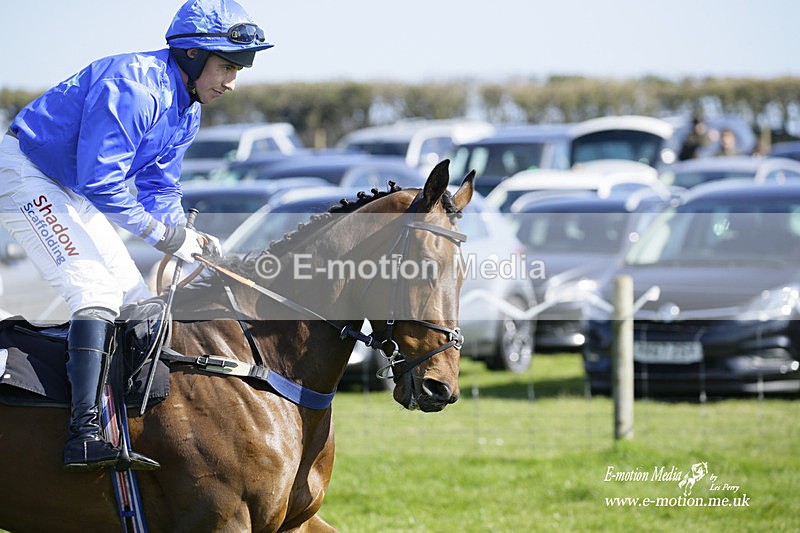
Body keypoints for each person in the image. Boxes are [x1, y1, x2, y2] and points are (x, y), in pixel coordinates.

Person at [0, 0, 273, 471]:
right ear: (191, 54)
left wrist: (186, 233)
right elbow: (101, 180)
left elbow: (159, 186)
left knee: (137, 300)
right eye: (226, 66)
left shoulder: (187, 106)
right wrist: (165, 237)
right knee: (95, 292)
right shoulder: (134, 87)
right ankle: (81, 435)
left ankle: (126, 421)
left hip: (70, 186)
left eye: (238, 69)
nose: (231, 82)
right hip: (28, 173)